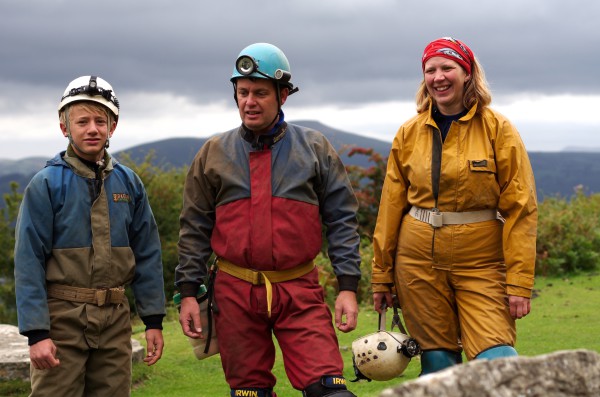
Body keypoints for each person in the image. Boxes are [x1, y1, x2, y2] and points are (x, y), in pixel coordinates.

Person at [176, 43, 361, 397]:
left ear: (283, 95)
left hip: (298, 290)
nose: (250, 101)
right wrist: (187, 292)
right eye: (243, 92)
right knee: (249, 393)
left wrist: (348, 287)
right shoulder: (213, 154)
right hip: (234, 294)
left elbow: (342, 221)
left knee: (330, 390)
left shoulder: (315, 148)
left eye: (260, 93)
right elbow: (194, 229)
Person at [371, 37, 538, 375]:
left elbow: (521, 208)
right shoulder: (409, 132)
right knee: (437, 362)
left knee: (497, 360)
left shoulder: (498, 129)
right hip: (416, 262)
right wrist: (381, 276)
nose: (439, 77)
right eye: (430, 70)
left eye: (447, 67)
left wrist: (519, 282)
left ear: (467, 73)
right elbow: (390, 208)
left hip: (482, 261)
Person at [14, 75, 166, 396]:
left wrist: (153, 320)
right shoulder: (46, 185)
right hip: (61, 322)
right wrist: (37, 333)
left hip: (115, 320)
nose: (92, 128)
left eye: (101, 120)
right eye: (82, 121)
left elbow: (148, 253)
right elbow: (29, 261)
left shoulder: (129, 183)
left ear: (113, 126)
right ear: (64, 127)